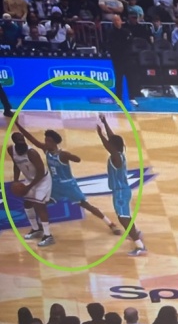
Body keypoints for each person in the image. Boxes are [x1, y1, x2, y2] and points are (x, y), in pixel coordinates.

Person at [14, 121, 122, 236]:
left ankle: (111, 224)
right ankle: (41, 226)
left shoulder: (63, 155)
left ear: (54, 142)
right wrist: (18, 125)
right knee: (40, 203)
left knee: (86, 205)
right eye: (45, 140)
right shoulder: (46, 150)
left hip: (68, 186)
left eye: (48, 141)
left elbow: (78, 159)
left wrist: (71, 157)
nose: (45, 142)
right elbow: (31, 138)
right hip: (55, 185)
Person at [96, 114, 147, 257]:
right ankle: (135, 233)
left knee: (123, 218)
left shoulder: (116, 157)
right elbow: (113, 138)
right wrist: (105, 122)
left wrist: (100, 135)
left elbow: (109, 145)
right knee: (125, 216)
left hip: (120, 192)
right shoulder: (119, 153)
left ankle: (140, 246)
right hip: (122, 191)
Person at [8, 132, 54, 246]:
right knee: (27, 204)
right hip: (30, 179)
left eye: (23, 140)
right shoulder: (11, 150)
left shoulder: (32, 153)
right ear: (15, 143)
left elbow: (40, 172)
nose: (22, 143)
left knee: (39, 205)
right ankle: (36, 229)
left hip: (42, 180)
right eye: (19, 141)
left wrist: (29, 187)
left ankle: (48, 236)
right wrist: (15, 180)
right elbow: (16, 164)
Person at [105, 15, 139, 107]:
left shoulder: (126, 32)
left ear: (121, 21)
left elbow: (129, 43)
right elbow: (111, 46)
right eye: (115, 20)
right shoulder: (111, 33)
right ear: (113, 22)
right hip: (117, 60)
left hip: (127, 59)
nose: (117, 22)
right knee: (119, 80)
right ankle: (119, 98)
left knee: (131, 79)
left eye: (118, 20)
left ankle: (132, 98)